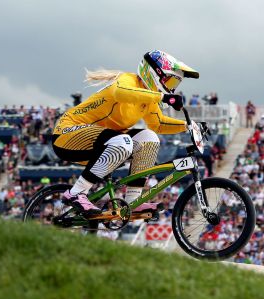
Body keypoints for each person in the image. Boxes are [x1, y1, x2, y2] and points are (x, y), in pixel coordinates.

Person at [52, 50, 199, 215]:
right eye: (169, 81)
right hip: (66, 135)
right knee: (123, 142)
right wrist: (161, 97)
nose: (170, 88)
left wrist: (189, 125)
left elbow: (158, 124)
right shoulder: (128, 80)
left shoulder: (148, 101)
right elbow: (120, 93)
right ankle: (76, 193)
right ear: (154, 73)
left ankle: (133, 202)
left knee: (150, 138)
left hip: (103, 141)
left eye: (174, 85)